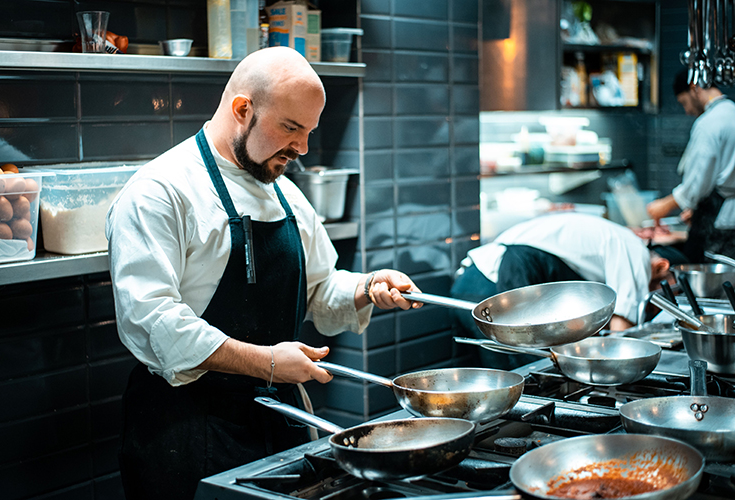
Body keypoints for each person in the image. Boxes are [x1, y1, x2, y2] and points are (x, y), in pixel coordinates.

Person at [106, 47, 421, 500]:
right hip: (186, 431)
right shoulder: (160, 193)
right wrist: (269, 363)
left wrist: (368, 288)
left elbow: (320, 287)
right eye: (291, 128)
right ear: (242, 109)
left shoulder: (286, 194)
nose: (302, 148)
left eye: (309, 132)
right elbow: (153, 322)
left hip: (279, 420)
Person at [450, 212, 687, 369]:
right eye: (663, 289)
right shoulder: (635, 250)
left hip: (472, 283)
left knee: (506, 382)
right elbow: (621, 329)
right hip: (490, 286)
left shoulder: (608, 240)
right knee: (517, 377)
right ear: (661, 266)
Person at [646, 69, 735, 262]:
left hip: (719, 227)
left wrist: (665, 205)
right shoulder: (732, 111)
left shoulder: (708, 123)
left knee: (708, 285)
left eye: (684, 103)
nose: (687, 111)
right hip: (727, 218)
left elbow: (697, 184)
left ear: (694, 88)